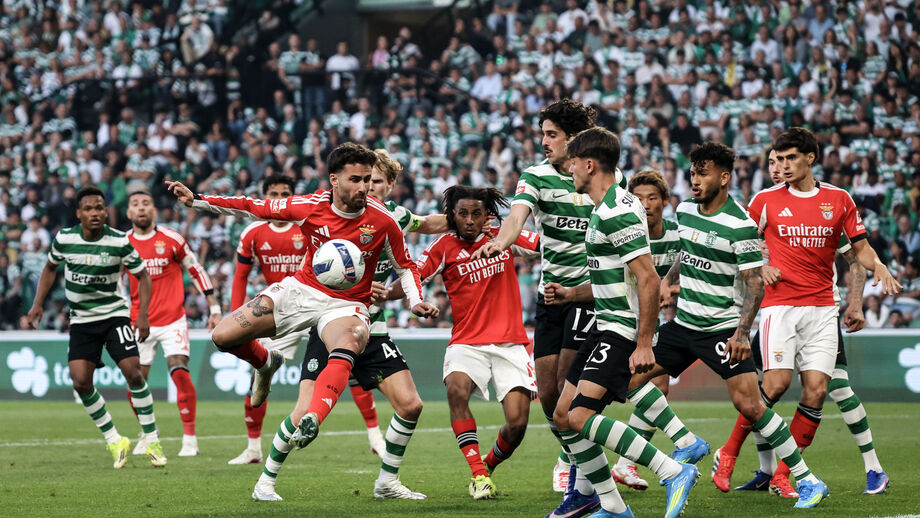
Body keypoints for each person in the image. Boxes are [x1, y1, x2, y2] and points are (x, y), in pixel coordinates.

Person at [166, 142, 438, 497]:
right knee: (223, 336)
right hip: (300, 291)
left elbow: (406, 266)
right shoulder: (310, 206)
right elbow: (252, 206)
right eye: (355, 180)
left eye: (367, 180)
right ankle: (266, 362)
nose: (364, 188)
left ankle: (315, 420)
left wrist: (416, 301)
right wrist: (198, 200)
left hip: (347, 305)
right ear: (334, 180)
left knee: (349, 341)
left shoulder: (383, 220)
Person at [258, 149, 447, 501]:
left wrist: (476, 221)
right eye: (363, 180)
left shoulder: (395, 218)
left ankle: (387, 482)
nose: (368, 187)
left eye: (376, 181)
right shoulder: (335, 212)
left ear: (390, 185)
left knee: (411, 405)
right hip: (330, 322)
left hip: (372, 329)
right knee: (303, 411)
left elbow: (430, 224)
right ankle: (266, 481)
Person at [714, 145, 894, 496]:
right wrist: (760, 266)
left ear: (809, 159)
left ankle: (869, 468)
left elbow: (856, 256)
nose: (778, 168)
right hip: (776, 310)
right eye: (773, 162)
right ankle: (762, 469)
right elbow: (737, 245)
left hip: (822, 309)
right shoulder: (764, 204)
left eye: (786, 160)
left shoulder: (834, 203)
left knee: (831, 388)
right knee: (768, 388)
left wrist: (856, 302)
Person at [544, 127, 699, 518]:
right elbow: (617, 277)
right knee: (563, 417)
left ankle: (673, 470)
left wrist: (644, 343)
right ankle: (612, 506)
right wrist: (571, 294)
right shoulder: (611, 205)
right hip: (604, 325)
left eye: (572, 163)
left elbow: (647, 277)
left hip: (621, 331)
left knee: (580, 416)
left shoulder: (615, 210)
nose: (569, 170)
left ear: (589, 164)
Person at [472, 99, 611, 515]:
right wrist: (502, 241)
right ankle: (574, 458)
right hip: (550, 299)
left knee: (569, 392)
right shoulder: (535, 176)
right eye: (543, 134)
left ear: (574, 139)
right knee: (548, 398)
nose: (544, 141)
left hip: (586, 295)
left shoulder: (602, 176)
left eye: (552, 134)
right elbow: (517, 217)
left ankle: (583, 482)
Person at [225, 174, 387, 466]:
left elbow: (342, 261)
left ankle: (375, 437)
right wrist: (236, 311)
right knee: (257, 375)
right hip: (285, 307)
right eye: (273, 193)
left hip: (322, 305)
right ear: (266, 196)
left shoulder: (307, 222)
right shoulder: (253, 233)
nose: (279, 197)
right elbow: (240, 276)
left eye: (284, 193)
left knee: (348, 367)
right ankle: (252, 447)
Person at [393, 185, 539, 500]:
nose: (470, 220)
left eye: (476, 214)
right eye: (463, 214)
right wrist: (389, 296)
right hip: (467, 343)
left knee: (517, 425)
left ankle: (487, 465)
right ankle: (478, 475)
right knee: (456, 390)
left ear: (487, 216)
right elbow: (414, 275)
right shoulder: (444, 246)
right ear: (453, 215)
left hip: (510, 343)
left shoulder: (503, 237)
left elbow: (544, 245)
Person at [26, 186, 166, 468]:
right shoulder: (65, 239)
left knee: (134, 372)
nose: (95, 213)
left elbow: (143, 276)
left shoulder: (119, 241)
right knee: (80, 382)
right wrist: (37, 303)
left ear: (106, 211)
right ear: (79, 213)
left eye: (99, 208)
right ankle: (115, 440)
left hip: (114, 315)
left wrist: (143, 316)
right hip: (81, 319)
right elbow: (50, 267)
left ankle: (151, 440)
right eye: (88, 208)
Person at [125, 189, 221, 458]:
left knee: (179, 370)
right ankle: (147, 433)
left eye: (146, 203)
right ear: (128, 212)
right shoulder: (123, 244)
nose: (141, 208)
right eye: (135, 204)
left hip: (172, 320)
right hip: (138, 322)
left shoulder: (172, 239)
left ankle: (189, 438)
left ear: (154, 210)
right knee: (135, 381)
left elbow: (195, 269)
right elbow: (114, 283)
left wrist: (214, 306)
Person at [608, 169, 680, 490]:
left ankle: (625, 465)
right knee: (601, 394)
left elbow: (691, 266)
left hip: (650, 323)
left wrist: (672, 286)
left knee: (659, 387)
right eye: (638, 199)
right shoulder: (623, 232)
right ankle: (571, 461)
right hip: (618, 319)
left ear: (665, 201)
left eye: (652, 198)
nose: (646, 204)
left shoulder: (676, 235)